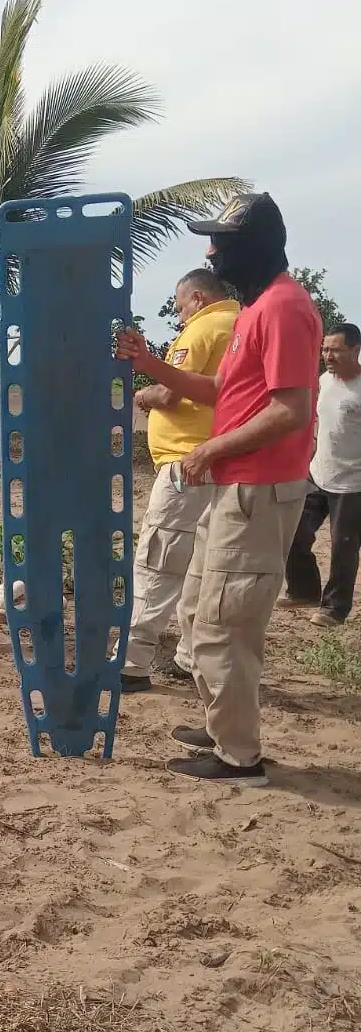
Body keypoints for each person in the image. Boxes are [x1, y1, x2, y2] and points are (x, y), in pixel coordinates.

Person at [115, 192, 321, 786]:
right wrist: (149, 362)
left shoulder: (282, 308)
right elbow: (221, 394)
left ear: (249, 247)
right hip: (233, 489)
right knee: (201, 609)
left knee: (228, 622)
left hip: (256, 491)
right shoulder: (255, 310)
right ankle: (222, 725)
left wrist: (210, 448)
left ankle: (239, 756)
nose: (211, 252)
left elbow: (289, 411)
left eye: (220, 242)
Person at [121, 270, 239, 691]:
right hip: (222, 461)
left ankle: (131, 661)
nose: (179, 313)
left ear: (199, 298)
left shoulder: (203, 329)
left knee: (159, 557)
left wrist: (142, 395)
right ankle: (190, 656)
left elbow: (170, 392)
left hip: (187, 460)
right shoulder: (240, 325)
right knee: (200, 566)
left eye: (180, 305)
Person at [283, 321, 361, 626]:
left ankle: (334, 609)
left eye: (335, 350)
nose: (328, 355)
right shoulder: (324, 381)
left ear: (355, 351)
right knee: (293, 531)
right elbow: (317, 424)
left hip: (353, 482)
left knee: (344, 546)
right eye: (325, 349)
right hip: (317, 473)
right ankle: (304, 591)